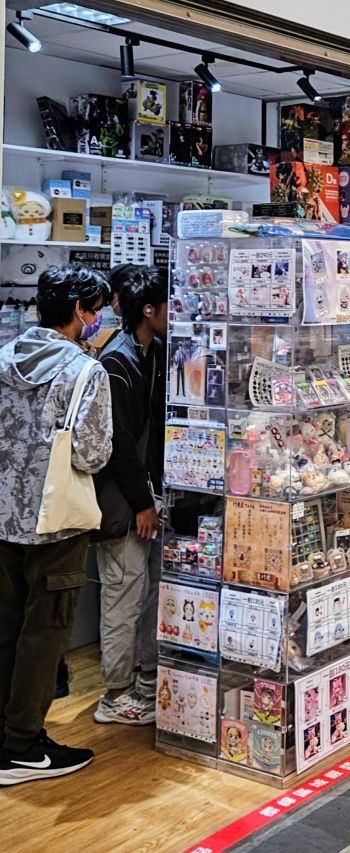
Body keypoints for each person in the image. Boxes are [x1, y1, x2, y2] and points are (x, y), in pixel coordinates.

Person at [0, 266, 113, 785]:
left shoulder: (5, 354)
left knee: (7, 627)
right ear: (78, 313)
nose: (97, 320)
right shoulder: (85, 372)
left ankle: (8, 734)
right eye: (95, 310)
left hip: (3, 514)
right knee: (45, 633)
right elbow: (92, 454)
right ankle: (21, 746)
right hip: (56, 523)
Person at [93, 265, 168, 725]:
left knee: (148, 592)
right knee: (123, 594)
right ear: (147, 309)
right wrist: (141, 502)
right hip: (122, 503)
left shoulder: (154, 351)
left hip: (148, 495)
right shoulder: (116, 362)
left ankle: (144, 676)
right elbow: (118, 444)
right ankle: (114, 693)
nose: (174, 313)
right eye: (167, 306)